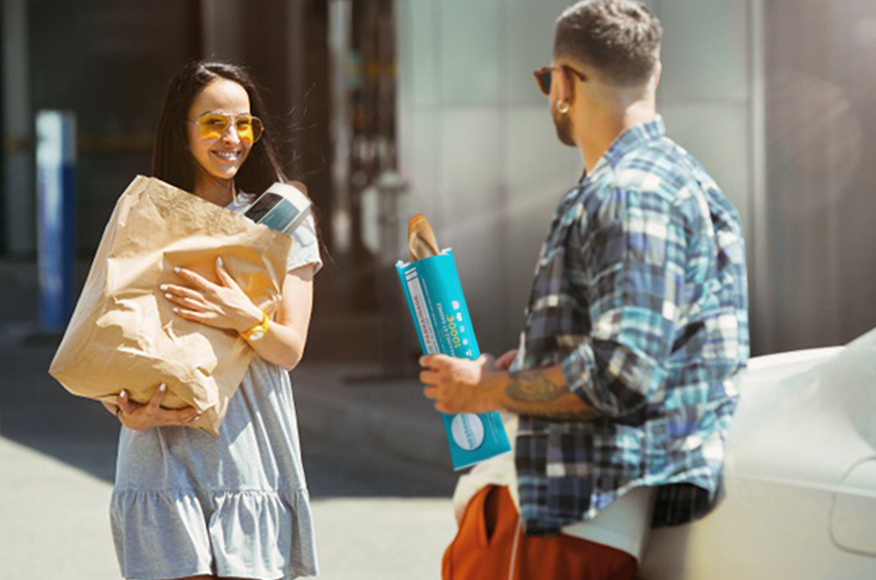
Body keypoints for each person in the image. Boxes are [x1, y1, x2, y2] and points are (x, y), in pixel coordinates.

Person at [419, 1, 749, 578]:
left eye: (548, 79)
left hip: (563, 520)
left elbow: (623, 369)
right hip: (584, 516)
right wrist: (527, 367)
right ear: (656, 74)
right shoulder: (679, 180)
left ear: (564, 84)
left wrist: (490, 390)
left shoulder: (628, 190)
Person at [102, 61, 322, 580]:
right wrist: (121, 409)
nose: (232, 138)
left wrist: (242, 315)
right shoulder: (145, 214)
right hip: (158, 452)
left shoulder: (282, 220)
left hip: (247, 452)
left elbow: (289, 350)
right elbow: (111, 340)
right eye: (214, 123)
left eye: (244, 124)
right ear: (182, 129)